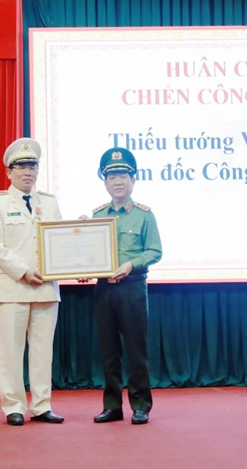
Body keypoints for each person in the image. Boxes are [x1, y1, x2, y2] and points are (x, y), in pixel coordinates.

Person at [0, 137, 65, 426]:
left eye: (32, 167)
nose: (28, 172)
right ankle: (14, 406)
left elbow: (60, 242)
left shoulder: (49, 203)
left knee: (43, 352)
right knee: (11, 351)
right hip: (12, 287)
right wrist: (23, 271)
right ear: (9, 172)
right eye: (21, 167)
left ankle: (42, 406)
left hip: (45, 288)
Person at [90, 147, 162, 425]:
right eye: (112, 177)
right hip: (104, 290)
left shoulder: (144, 215)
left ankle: (141, 405)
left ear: (133, 180)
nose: (117, 182)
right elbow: (89, 254)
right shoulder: (97, 215)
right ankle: (112, 406)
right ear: (105, 182)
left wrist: (131, 264)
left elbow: (154, 251)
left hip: (132, 288)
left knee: (136, 350)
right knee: (108, 351)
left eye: (123, 176)